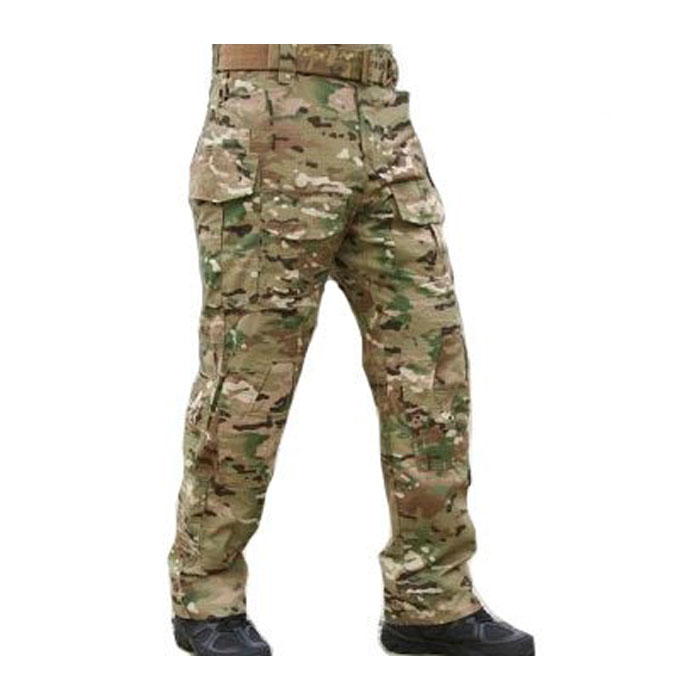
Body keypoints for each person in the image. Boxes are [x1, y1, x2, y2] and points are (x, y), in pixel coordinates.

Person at [168, 44, 535, 656]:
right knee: (251, 376)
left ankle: (430, 599)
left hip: (383, 116)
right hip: (270, 109)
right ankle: (206, 596)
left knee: (430, 365)